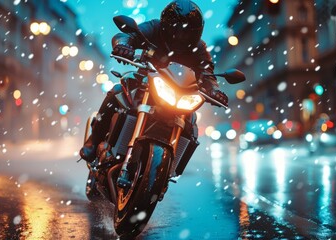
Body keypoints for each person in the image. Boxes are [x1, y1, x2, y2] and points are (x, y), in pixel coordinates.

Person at [80, 0, 228, 162]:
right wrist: (123, 45)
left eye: (187, 32)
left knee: (191, 122)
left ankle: (173, 165)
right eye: (176, 31)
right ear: (165, 26)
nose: (181, 36)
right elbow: (126, 35)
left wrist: (213, 90)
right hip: (145, 81)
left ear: (197, 32)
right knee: (117, 92)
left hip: (180, 92)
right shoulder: (153, 28)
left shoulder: (199, 48)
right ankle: (93, 142)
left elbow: (207, 73)